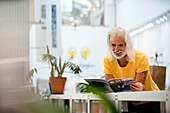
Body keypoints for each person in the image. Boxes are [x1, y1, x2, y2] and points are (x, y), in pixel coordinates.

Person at [103, 27, 160, 113]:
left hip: (150, 101)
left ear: (127, 45)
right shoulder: (108, 60)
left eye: (120, 45)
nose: (116, 49)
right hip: (129, 102)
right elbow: (109, 87)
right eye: (113, 45)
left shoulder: (141, 57)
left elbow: (137, 90)